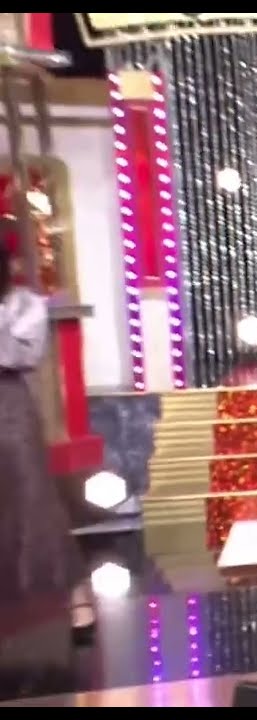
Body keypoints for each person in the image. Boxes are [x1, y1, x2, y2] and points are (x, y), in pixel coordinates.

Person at [0, 242, 96, 643]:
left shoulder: (24, 305)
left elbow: (20, 355)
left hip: (8, 409)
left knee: (32, 500)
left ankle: (77, 600)